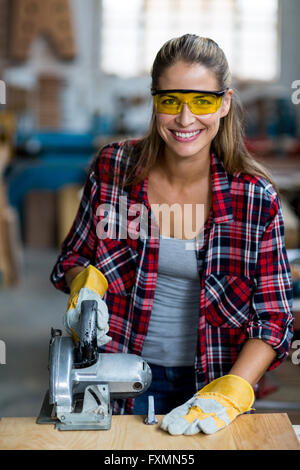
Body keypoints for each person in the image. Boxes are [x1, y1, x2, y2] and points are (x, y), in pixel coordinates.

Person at [50, 34, 294, 435]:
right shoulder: (113, 170)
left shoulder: (254, 198)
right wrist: (86, 284)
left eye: (202, 101)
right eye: (170, 101)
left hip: (212, 383)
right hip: (118, 378)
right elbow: (72, 260)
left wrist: (230, 392)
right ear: (154, 101)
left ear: (225, 103)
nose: (184, 119)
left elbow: (274, 318)